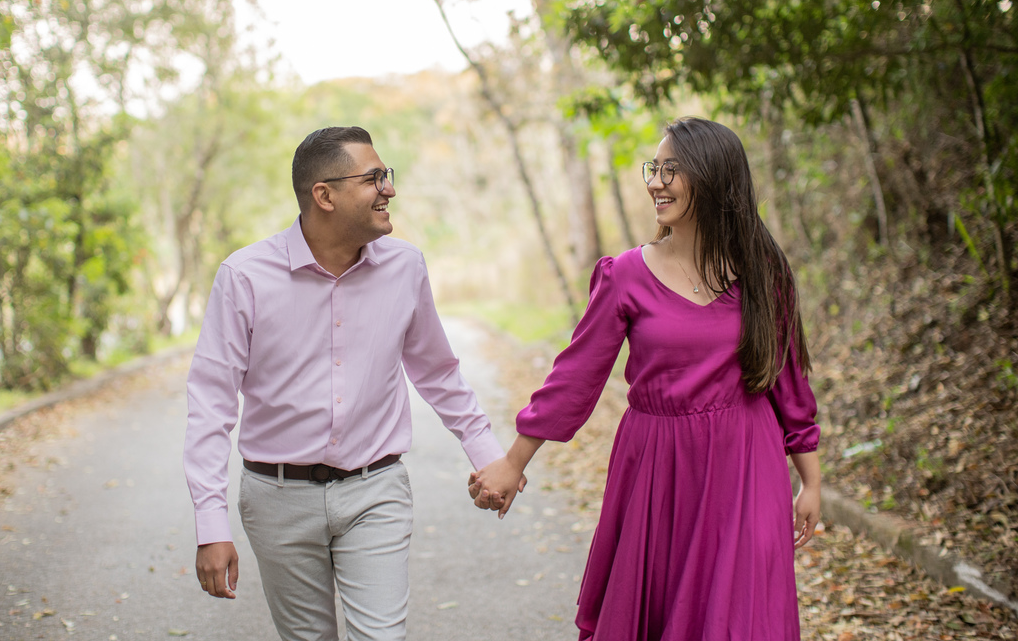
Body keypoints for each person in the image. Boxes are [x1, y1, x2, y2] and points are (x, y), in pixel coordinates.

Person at [469, 117, 821, 641]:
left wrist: (811, 481)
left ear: (713, 178)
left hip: (747, 464)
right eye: (653, 169)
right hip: (659, 466)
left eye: (670, 170)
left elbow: (788, 382)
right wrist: (512, 462)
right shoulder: (626, 275)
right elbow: (575, 376)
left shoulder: (763, 273)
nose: (655, 181)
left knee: (739, 617)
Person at [183, 126, 505, 641]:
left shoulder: (405, 267)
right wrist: (210, 524)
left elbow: (437, 371)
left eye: (387, 176)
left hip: (375, 489)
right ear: (324, 195)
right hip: (276, 498)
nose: (389, 189)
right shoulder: (244, 277)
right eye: (374, 178)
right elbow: (210, 404)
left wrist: (488, 454)